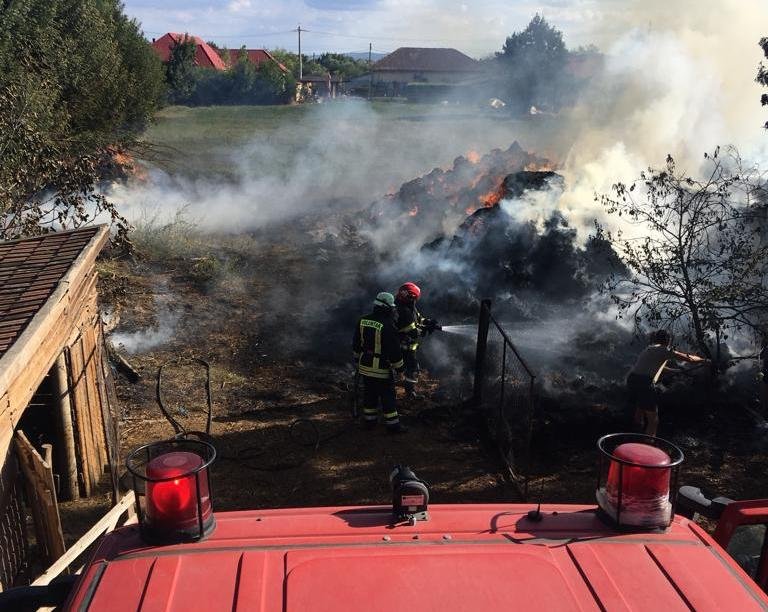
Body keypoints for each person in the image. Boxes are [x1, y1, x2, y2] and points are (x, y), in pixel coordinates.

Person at [626, 330, 708, 437]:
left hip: (632, 380)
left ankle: (635, 434)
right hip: (644, 383)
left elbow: (659, 367)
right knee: (653, 420)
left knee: (640, 410)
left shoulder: (650, 349)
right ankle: (648, 445)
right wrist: (703, 360)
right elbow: (689, 359)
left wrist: (676, 371)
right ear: (668, 340)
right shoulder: (664, 350)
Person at [352, 292, 407, 433]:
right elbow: (394, 351)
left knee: (369, 394)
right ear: (385, 307)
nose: (393, 310)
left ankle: (370, 422)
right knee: (387, 396)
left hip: (365, 366)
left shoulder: (362, 320)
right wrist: (400, 370)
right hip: (381, 369)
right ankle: (393, 426)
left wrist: (357, 360)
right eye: (391, 307)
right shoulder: (388, 325)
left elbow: (356, 344)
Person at [395, 282, 438, 400]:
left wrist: (428, 322)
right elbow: (412, 331)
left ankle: (408, 391)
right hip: (401, 346)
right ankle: (408, 392)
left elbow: (418, 318)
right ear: (411, 296)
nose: (415, 301)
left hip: (408, 346)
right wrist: (424, 330)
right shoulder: (401, 310)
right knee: (410, 368)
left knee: (410, 368)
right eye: (414, 298)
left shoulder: (409, 306)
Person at [759, 334, 768, 415]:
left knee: (764, 390)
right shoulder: (764, 349)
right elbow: (761, 358)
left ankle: (764, 408)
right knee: (762, 389)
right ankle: (764, 408)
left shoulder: (765, 349)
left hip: (765, 372)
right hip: (763, 372)